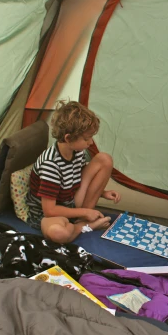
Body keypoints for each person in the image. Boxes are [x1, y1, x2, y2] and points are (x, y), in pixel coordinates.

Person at [26, 100, 121, 243]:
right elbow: (49, 211)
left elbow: (79, 179)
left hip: (69, 200)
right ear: (68, 138)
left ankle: (81, 220)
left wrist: (103, 193)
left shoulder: (77, 151)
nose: (90, 143)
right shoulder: (51, 165)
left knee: (104, 159)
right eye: (86, 138)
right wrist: (85, 212)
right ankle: (84, 226)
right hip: (49, 215)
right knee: (59, 233)